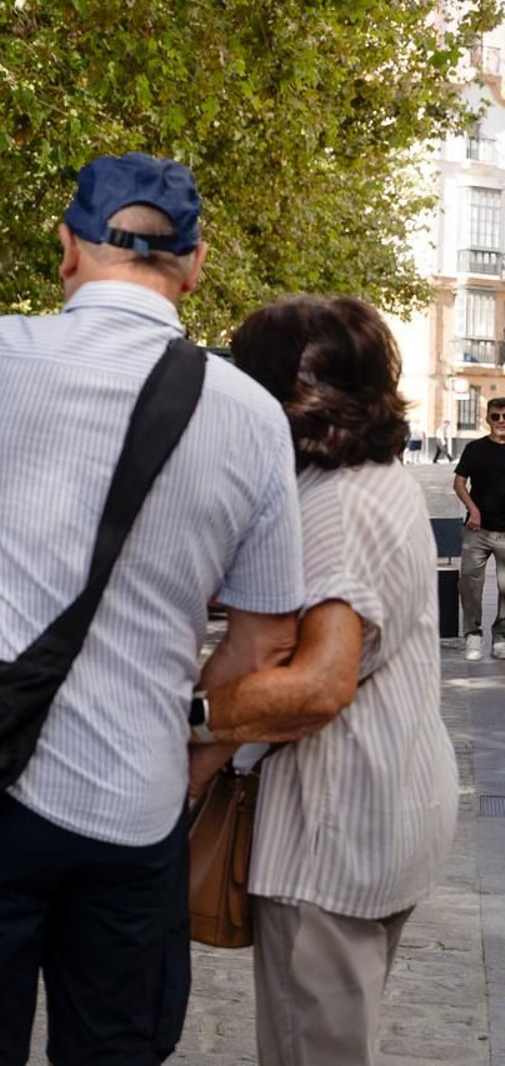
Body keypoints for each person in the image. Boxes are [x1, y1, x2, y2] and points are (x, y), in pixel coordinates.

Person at [0, 152, 305, 1065]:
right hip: (137, 806)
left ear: (67, 249)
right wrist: (191, 763)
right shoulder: (252, 416)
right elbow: (264, 643)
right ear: (195, 265)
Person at [197, 296, 458, 1065]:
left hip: (331, 832)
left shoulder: (335, 508)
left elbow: (317, 687)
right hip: (385, 807)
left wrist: (188, 716)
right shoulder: (378, 479)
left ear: (289, 396)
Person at [455, 396, 505, 660]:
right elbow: (459, 483)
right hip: (477, 531)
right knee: (470, 584)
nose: (501, 421)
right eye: (496, 416)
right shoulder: (474, 449)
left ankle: (501, 638)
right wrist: (472, 509)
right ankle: (473, 636)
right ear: (487, 418)